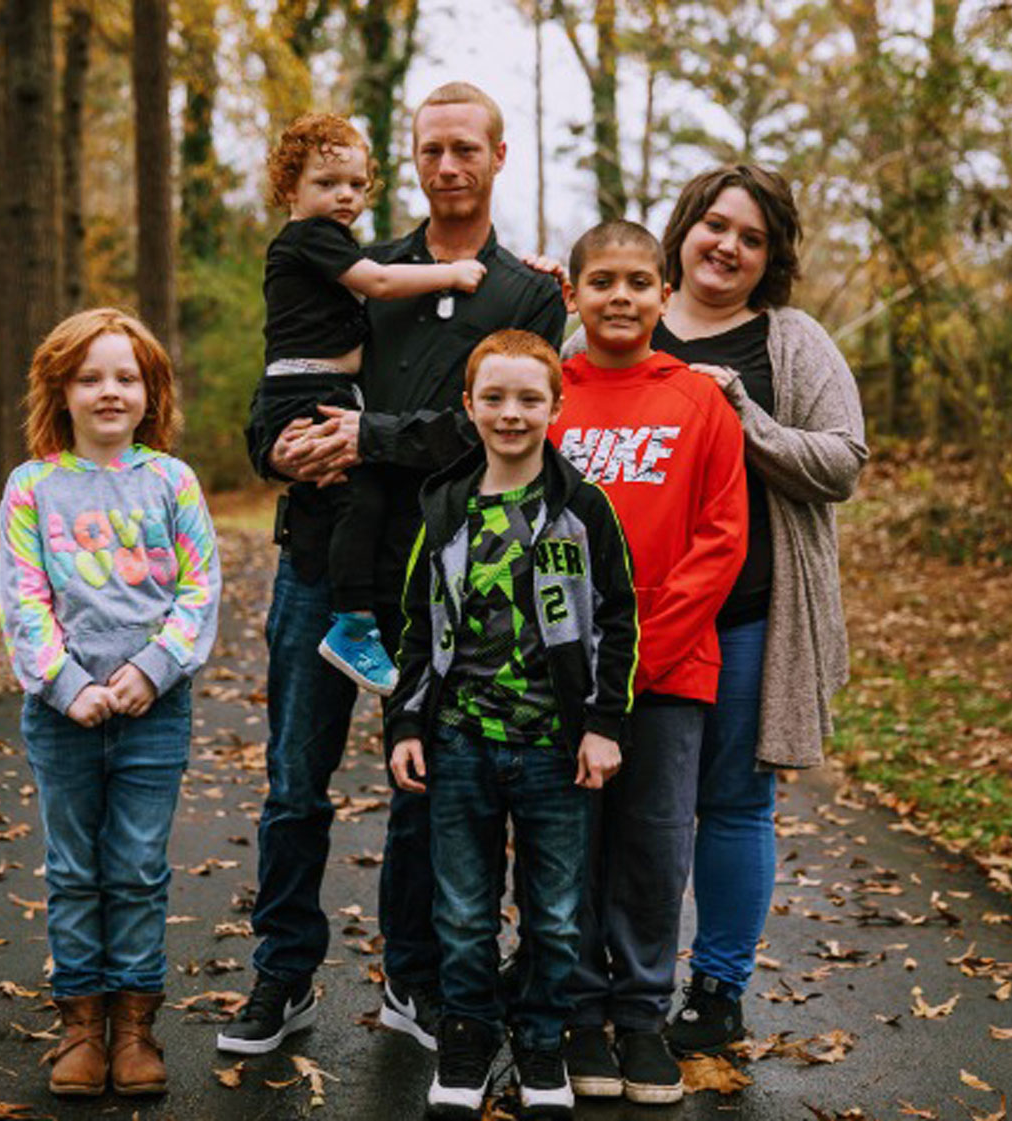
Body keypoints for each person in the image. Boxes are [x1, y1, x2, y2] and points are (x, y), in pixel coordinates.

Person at [222, 82, 565, 1057]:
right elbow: (285, 379)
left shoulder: (527, 293)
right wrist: (271, 448)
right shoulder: (350, 257)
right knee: (295, 780)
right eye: (431, 150)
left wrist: (371, 435)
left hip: (450, 580)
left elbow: (496, 429)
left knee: (430, 790)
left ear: (499, 157)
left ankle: (417, 978)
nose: (448, 166)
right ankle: (281, 975)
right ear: (412, 161)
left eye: (467, 149)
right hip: (323, 563)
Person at [644, 166, 868, 1056]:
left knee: (735, 805)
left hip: (748, 616)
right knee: (627, 805)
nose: (728, 245)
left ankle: (717, 990)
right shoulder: (629, 313)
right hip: (630, 621)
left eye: (751, 236)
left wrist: (745, 415)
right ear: (685, 227)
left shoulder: (790, 340)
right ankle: (616, 978)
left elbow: (844, 461)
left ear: (769, 258)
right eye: (715, 224)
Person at [387, 330, 636, 1120]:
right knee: (462, 910)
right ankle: (468, 1036)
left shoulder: (583, 511)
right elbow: (417, 629)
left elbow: (619, 619)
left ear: (557, 406)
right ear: (469, 406)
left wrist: (604, 723)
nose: (511, 412)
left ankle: (539, 1040)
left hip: (554, 751)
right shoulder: (444, 508)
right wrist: (405, 724)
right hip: (459, 743)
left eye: (530, 397)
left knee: (556, 914)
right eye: (493, 396)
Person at [0, 308, 221, 1097]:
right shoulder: (31, 489)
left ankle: (134, 1027)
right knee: (72, 867)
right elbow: (23, 601)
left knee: (135, 868)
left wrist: (154, 668)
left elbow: (199, 588)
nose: (108, 391)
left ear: (150, 389)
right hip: (62, 718)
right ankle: (81, 1028)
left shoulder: (171, 481)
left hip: (153, 714)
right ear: (60, 390)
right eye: (90, 377)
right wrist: (69, 684)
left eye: (126, 376)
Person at [548, 220, 748, 1105]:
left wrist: (635, 660)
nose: (620, 296)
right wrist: (568, 657)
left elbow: (720, 539)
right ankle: (580, 1014)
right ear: (573, 295)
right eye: (603, 281)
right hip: (558, 674)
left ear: (666, 294)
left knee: (654, 847)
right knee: (571, 847)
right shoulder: (546, 394)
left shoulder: (698, 401)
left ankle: (639, 1016)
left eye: (638, 281)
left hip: (668, 674)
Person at [258, 112, 487, 696]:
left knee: (350, 495)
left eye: (357, 186)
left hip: (322, 389)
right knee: (354, 495)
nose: (345, 197)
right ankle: (352, 624)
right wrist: (449, 275)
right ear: (290, 188)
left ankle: (351, 619)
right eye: (328, 183)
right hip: (307, 389)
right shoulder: (315, 239)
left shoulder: (329, 247)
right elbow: (382, 284)